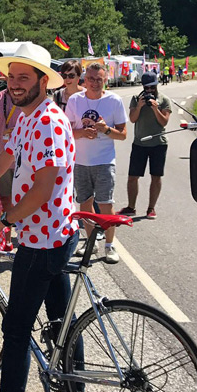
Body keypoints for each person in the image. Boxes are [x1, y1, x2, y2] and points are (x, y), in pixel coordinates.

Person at [0, 42, 82, 392]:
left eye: (24, 77)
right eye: (11, 78)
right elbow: (2, 160)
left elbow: (42, 189)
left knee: (16, 331)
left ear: (44, 81)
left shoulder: (49, 122)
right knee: (61, 324)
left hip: (44, 239)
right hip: (49, 234)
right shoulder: (26, 117)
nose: (15, 84)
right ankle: (75, 390)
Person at [65, 63, 128, 264]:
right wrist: (82, 133)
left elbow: (123, 135)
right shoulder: (75, 100)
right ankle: (91, 242)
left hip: (104, 160)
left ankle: (110, 245)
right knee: (84, 203)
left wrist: (106, 130)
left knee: (105, 204)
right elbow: (66, 132)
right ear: (84, 80)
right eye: (90, 79)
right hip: (80, 161)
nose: (94, 83)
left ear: (105, 80)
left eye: (98, 79)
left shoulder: (114, 100)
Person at [118, 71, 172, 219]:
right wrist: (140, 107)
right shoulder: (136, 99)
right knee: (132, 177)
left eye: (152, 88)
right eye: (146, 88)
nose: (149, 91)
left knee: (156, 176)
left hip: (158, 144)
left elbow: (164, 122)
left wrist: (155, 108)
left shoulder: (164, 100)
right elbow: (133, 119)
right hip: (140, 143)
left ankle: (151, 208)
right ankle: (131, 207)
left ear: (156, 85)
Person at [0, 64, 24, 250]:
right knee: (5, 200)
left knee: (25, 200)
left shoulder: (27, 99)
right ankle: (7, 240)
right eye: (9, 77)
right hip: (2, 158)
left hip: (25, 160)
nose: (13, 81)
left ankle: (24, 239)